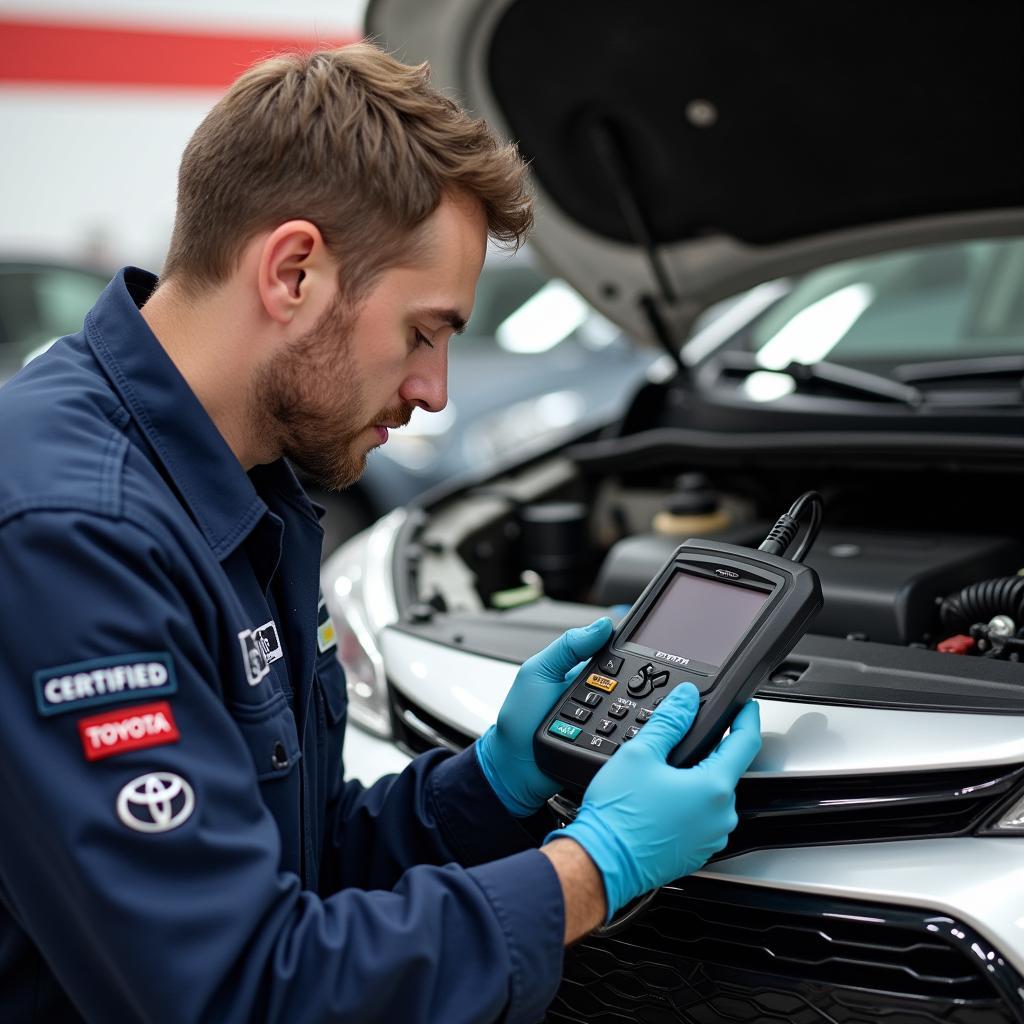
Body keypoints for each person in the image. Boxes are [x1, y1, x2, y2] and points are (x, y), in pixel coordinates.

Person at [0, 44, 761, 1024]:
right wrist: (591, 869)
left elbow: (291, 857)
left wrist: (488, 782)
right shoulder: (70, 535)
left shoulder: (241, 483)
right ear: (293, 271)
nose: (433, 389)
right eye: (422, 331)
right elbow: (240, 991)